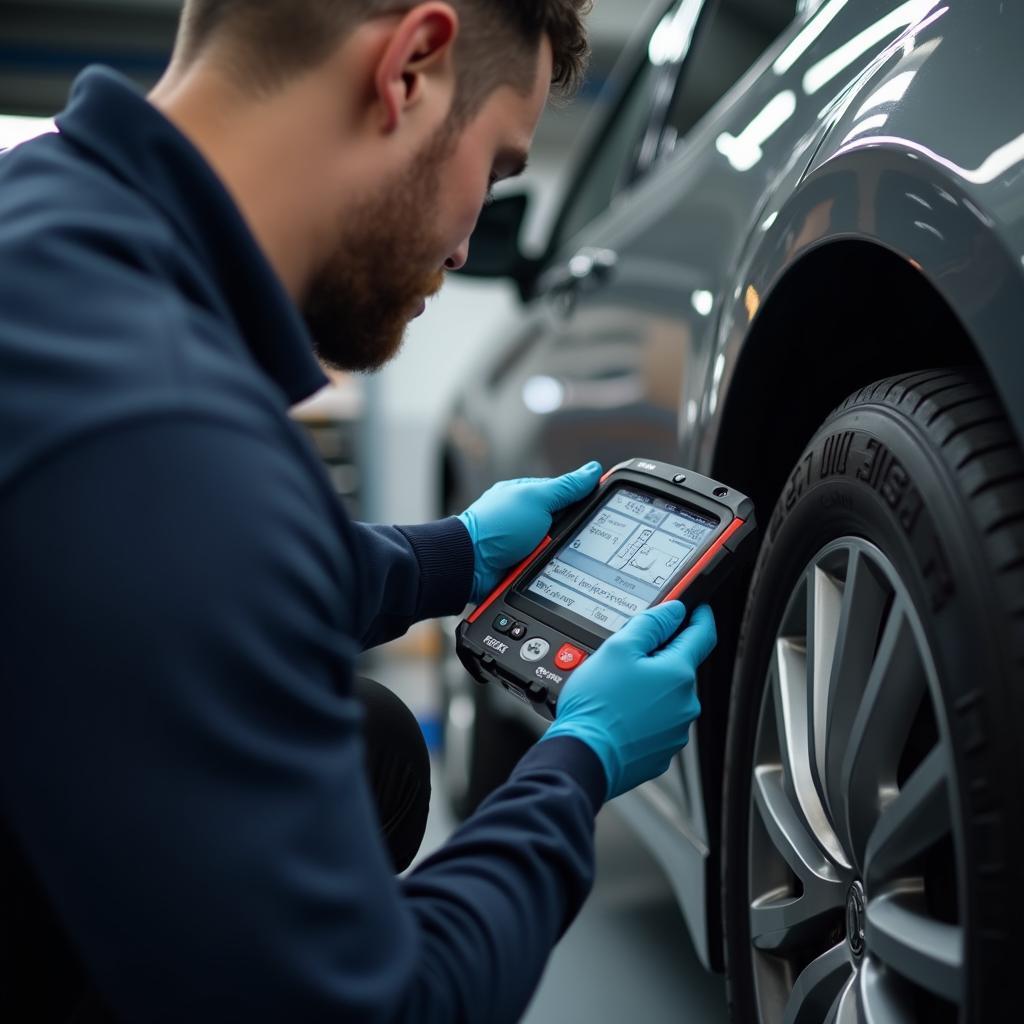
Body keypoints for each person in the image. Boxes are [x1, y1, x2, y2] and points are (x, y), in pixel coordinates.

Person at [0, 1, 718, 1021]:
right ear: (410, 70)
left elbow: (185, 578)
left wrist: (459, 555)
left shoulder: (48, 222)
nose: (471, 242)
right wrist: (576, 765)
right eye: (500, 167)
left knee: (371, 740)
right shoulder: (162, 425)